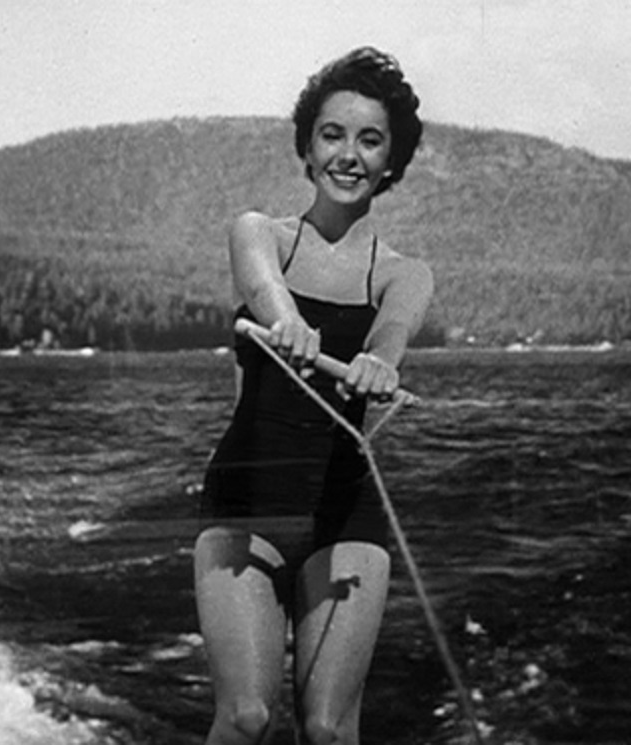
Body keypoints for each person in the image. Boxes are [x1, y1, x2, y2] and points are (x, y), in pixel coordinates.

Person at [194, 46, 433, 745]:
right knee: (247, 717)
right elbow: (263, 288)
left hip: (346, 515)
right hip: (246, 506)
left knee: (327, 729)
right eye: (332, 135)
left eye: (371, 140)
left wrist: (379, 364)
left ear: (391, 160)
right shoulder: (259, 233)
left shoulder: (404, 274)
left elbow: (392, 331)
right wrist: (288, 323)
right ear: (307, 146)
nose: (348, 155)